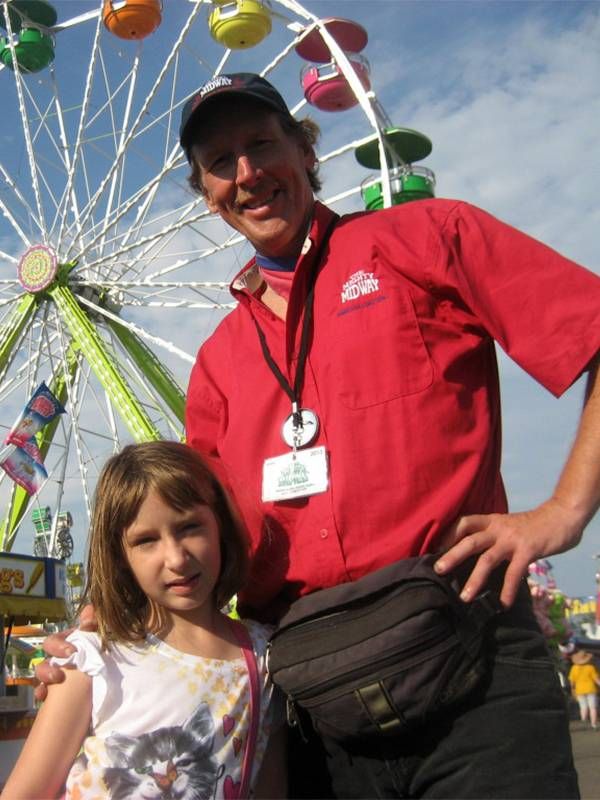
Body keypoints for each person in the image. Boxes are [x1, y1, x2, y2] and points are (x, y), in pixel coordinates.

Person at [38, 72, 600, 798]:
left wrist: (564, 511)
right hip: (311, 696)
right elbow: (182, 529)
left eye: (262, 144)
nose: (246, 173)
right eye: (219, 162)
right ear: (204, 191)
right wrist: (96, 636)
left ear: (306, 150)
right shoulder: (217, 362)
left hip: (471, 655)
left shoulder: (427, 238)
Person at [4, 441, 285, 800]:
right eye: (146, 541)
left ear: (221, 527)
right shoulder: (92, 659)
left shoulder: (264, 660)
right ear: (120, 557)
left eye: (189, 528)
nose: (176, 558)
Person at [568, 650, 600, 730]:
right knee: (593, 707)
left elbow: (572, 682)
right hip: (591, 689)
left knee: (583, 707)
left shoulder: (574, 668)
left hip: (579, 690)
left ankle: (584, 723)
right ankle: (593, 724)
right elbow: (596, 680)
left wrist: (572, 689)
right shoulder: (591, 667)